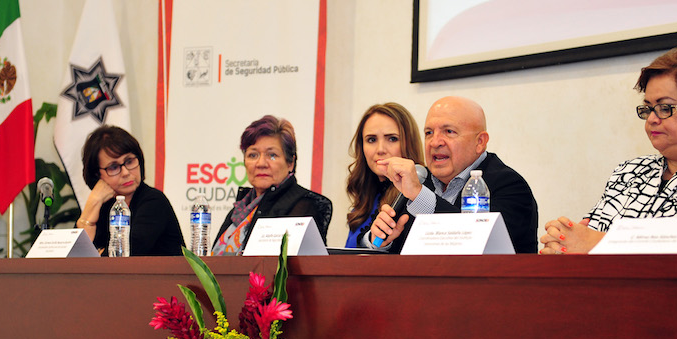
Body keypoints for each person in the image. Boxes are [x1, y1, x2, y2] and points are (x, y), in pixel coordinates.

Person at [540, 46, 677, 254]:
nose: (651, 119)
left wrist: (599, 244)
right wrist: (563, 244)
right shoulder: (630, 171)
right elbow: (586, 239)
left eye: (665, 108)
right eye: (648, 108)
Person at [368, 96, 539, 253]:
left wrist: (419, 196)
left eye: (449, 131)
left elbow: (473, 246)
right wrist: (383, 242)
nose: (435, 142)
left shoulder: (509, 186)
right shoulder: (421, 182)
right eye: (429, 133)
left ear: (479, 142)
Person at [212, 115, 332, 254]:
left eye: (272, 155)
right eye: (253, 155)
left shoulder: (306, 205)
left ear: (290, 163)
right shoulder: (240, 210)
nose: (261, 163)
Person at [77, 125, 184, 256]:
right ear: (97, 175)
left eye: (129, 161)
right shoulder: (105, 206)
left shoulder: (154, 201)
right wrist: (93, 203)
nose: (126, 172)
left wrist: (99, 254)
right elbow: (75, 257)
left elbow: (124, 255)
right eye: (114, 167)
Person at [345, 102, 424, 247]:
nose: (380, 149)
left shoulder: (421, 197)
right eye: (371, 140)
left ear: (409, 143)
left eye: (392, 138)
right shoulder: (365, 198)